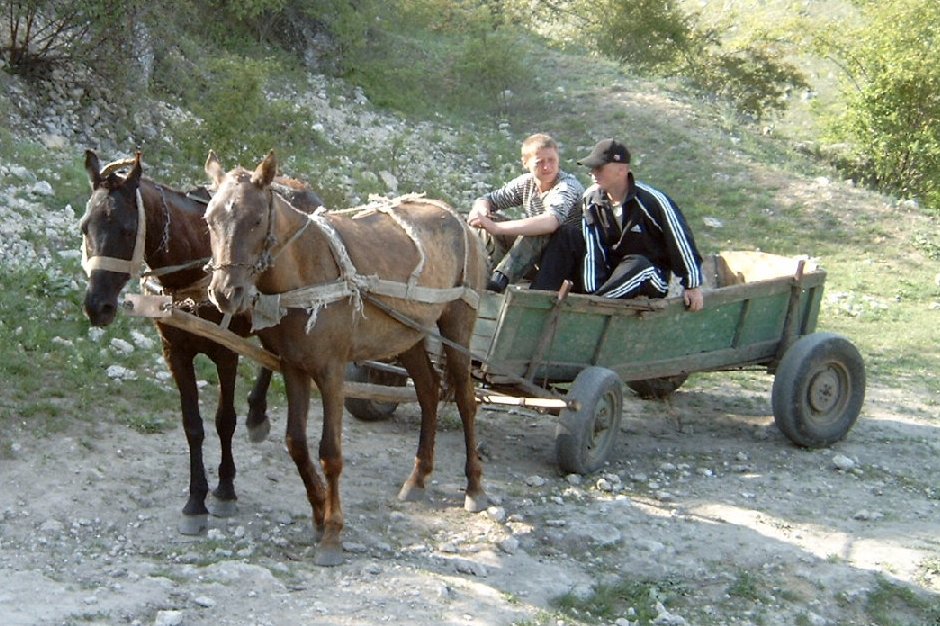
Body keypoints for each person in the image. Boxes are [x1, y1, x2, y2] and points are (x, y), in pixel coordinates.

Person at [531, 138, 705, 311]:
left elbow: (680, 239)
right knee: (567, 234)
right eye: (592, 168)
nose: (593, 173)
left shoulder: (651, 201)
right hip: (611, 274)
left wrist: (693, 285)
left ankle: (594, 306)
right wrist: (591, 289)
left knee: (638, 265)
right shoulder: (592, 200)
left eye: (599, 168)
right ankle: (532, 302)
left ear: (622, 170)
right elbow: (594, 248)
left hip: (650, 274)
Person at [467, 133, 585, 292]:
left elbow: (551, 221)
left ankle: (500, 279)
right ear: (526, 163)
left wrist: (497, 228)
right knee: (485, 223)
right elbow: (489, 199)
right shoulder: (526, 183)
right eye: (540, 162)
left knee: (537, 230)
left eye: (551, 160)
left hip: (564, 260)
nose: (547, 167)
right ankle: (481, 274)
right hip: (535, 256)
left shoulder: (567, 186)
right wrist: (480, 212)